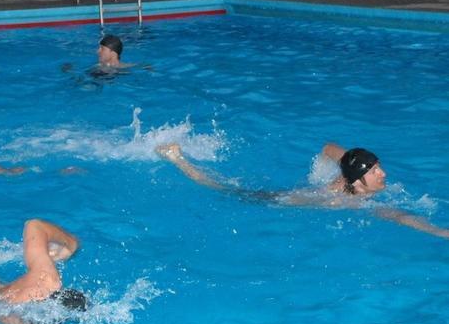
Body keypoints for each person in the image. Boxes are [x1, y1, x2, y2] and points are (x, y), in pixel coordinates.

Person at [156, 142, 449, 239]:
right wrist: (440, 232)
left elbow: (328, 148)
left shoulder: (349, 180)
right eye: (374, 171)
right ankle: (176, 158)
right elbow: (398, 216)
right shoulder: (350, 202)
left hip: (308, 189)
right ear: (358, 183)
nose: (383, 173)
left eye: (379, 167)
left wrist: (348, 164)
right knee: (221, 188)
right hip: (277, 201)